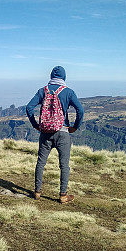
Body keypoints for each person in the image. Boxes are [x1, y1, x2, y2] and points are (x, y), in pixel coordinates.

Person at [26, 66, 84, 204]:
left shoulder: (43, 91)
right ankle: (63, 195)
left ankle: (37, 192)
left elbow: (29, 107)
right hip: (63, 133)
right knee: (64, 165)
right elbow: (80, 110)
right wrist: (75, 127)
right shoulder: (68, 92)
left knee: (41, 162)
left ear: (51, 76)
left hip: (45, 133)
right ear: (64, 77)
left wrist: (35, 125)